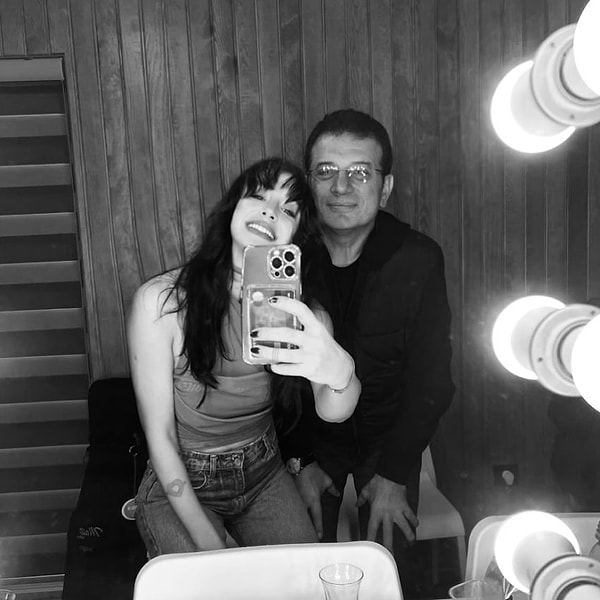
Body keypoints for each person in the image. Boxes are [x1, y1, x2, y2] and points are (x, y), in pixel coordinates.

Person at [127, 157, 360, 558]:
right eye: (258, 195)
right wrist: (213, 547)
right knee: (216, 584)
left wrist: (343, 374)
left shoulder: (307, 316)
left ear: (296, 237)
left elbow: (333, 411)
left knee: (301, 581)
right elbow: (160, 437)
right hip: (182, 476)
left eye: (288, 210)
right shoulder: (161, 303)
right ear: (233, 206)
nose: (270, 210)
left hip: (263, 471)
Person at [280, 109, 455, 592]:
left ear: (386, 186)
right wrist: (299, 460)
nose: (341, 187)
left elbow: (433, 379)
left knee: (390, 573)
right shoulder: (285, 259)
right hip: (309, 443)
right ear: (308, 183)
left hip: (389, 441)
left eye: (359, 172)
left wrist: (395, 472)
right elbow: (273, 375)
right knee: (304, 576)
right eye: (325, 171)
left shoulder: (417, 258)